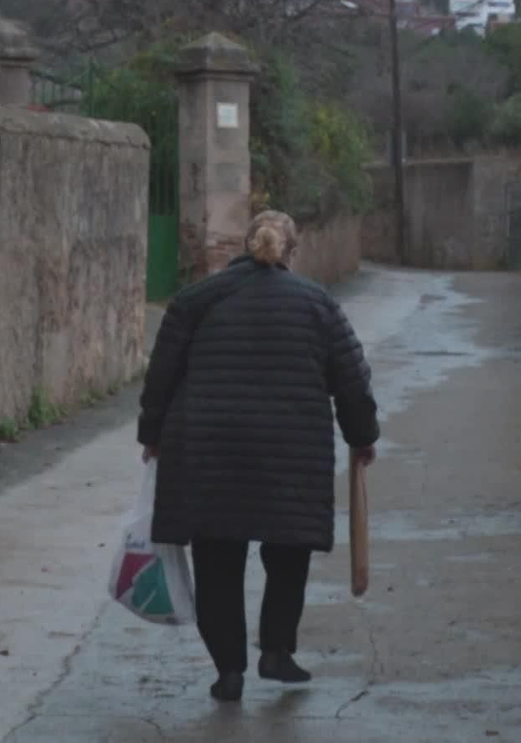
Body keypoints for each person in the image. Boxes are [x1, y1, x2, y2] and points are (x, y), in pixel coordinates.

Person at [137, 209, 380, 703]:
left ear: (242, 248)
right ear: (292, 252)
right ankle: (276, 652)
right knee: (287, 553)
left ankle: (228, 671)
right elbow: (351, 380)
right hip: (290, 456)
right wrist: (363, 436)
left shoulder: (194, 301)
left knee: (217, 559)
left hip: (208, 452)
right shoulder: (318, 304)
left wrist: (152, 434)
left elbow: (161, 374)